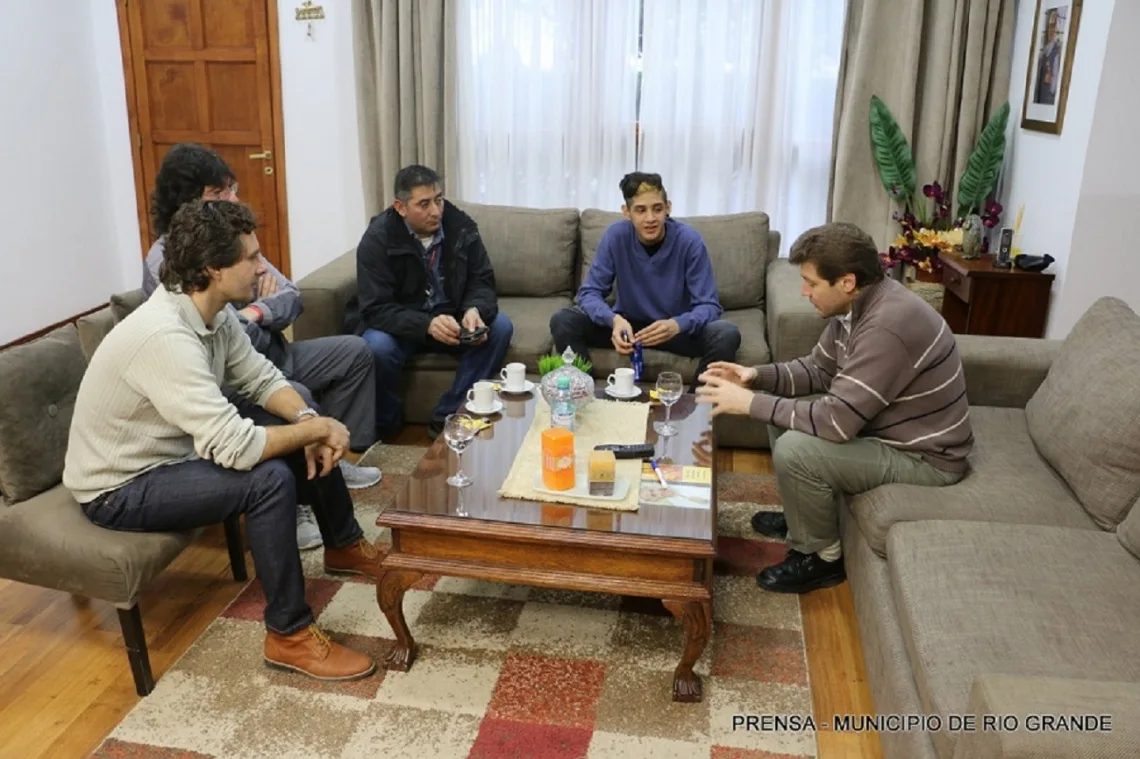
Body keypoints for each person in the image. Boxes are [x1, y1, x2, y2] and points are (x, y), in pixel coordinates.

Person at [65, 200, 382, 680]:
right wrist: (315, 429)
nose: (261, 268)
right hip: (119, 487)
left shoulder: (214, 312)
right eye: (251, 258)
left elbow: (259, 377)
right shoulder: (165, 337)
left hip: (170, 455)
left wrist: (308, 417)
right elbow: (234, 448)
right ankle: (288, 635)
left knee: (291, 424)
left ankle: (343, 545)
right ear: (214, 269)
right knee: (269, 479)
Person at [696, 222, 973, 594]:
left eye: (811, 283)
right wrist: (754, 377)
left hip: (924, 458)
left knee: (795, 447)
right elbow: (817, 370)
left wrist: (749, 403)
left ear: (846, 282)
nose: (803, 291)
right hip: (886, 431)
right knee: (780, 414)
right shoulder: (858, 307)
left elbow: (837, 423)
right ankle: (801, 522)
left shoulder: (886, 326)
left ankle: (821, 558)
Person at [141, 143, 381, 550]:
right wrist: (258, 311)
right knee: (297, 396)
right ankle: (303, 496)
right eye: (219, 194)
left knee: (355, 352)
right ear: (189, 203)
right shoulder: (164, 260)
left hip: (273, 355)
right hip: (226, 377)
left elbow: (292, 296)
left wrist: (254, 311)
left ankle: (334, 458)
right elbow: (227, 335)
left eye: (231, 188)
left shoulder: (234, 242)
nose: (234, 199)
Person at [346, 165, 513, 440]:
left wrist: (474, 309)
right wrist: (426, 324)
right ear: (400, 207)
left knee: (500, 327)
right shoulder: (377, 239)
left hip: (452, 317)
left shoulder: (461, 226)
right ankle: (387, 425)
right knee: (376, 346)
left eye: (438, 199)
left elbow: (482, 279)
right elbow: (375, 308)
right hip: (403, 324)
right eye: (424, 204)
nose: (435, 211)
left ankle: (449, 414)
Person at [549, 172, 740, 387]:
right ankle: (584, 396)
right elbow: (588, 293)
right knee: (564, 320)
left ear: (668, 207)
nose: (650, 218)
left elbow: (709, 305)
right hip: (629, 326)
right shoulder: (616, 236)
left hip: (674, 328)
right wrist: (613, 320)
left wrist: (677, 324)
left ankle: (694, 411)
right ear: (627, 212)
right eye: (641, 210)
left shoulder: (690, 241)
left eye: (657, 209)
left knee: (726, 334)